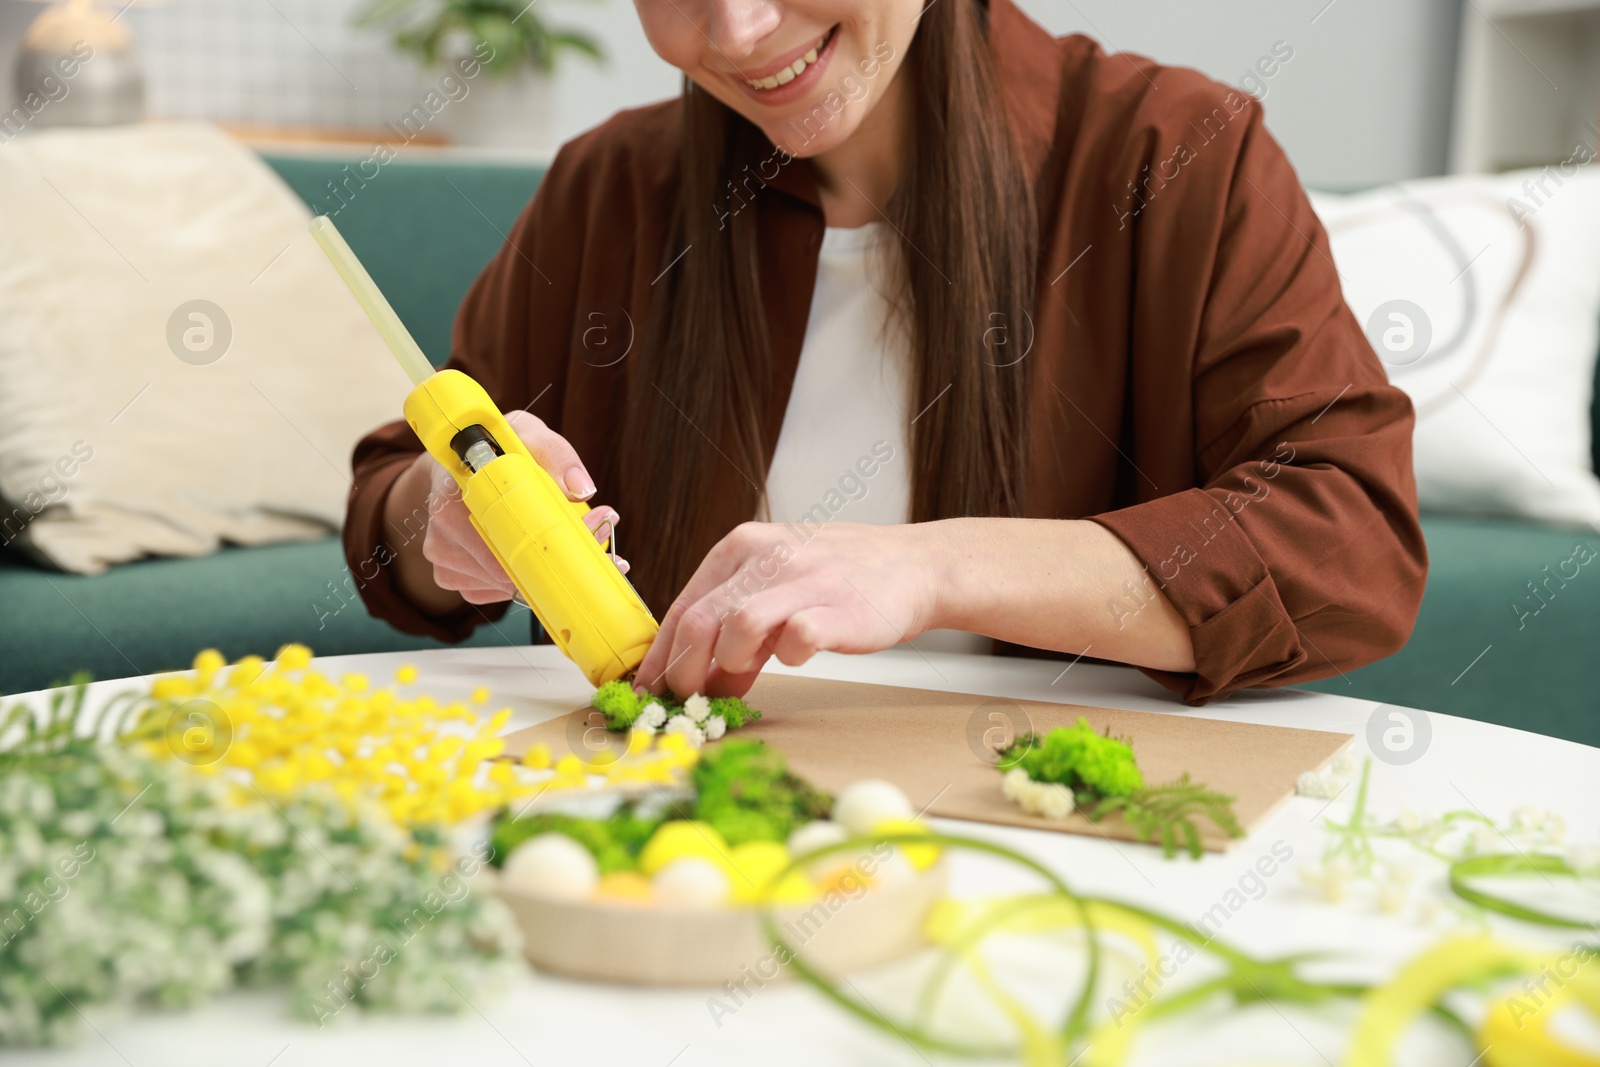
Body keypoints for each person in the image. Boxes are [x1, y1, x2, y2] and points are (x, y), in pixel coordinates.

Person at [344, 0, 1427, 705]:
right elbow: (394, 508)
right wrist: (441, 510)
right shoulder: (608, 187)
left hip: (1049, 843)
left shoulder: (1179, 154)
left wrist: (929, 568)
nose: (737, 30)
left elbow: (1348, 544)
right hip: (686, 849)